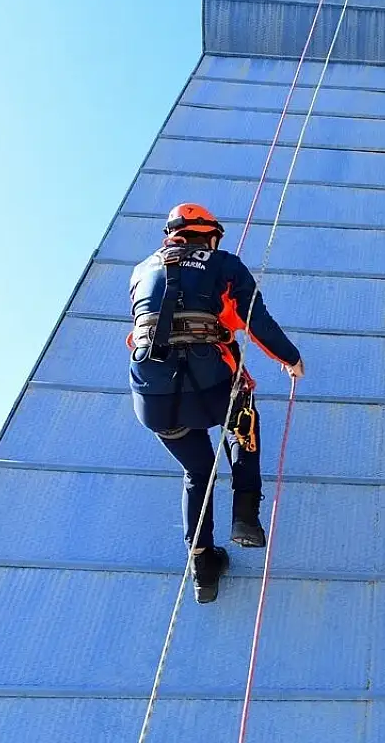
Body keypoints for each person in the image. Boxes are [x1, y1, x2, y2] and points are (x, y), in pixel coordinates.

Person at [127, 203, 304, 604]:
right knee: (243, 424)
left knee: (197, 472)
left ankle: (202, 564)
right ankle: (245, 516)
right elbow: (255, 320)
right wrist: (290, 358)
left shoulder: (141, 271)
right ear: (209, 235)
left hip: (152, 396)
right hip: (209, 384)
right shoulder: (223, 263)